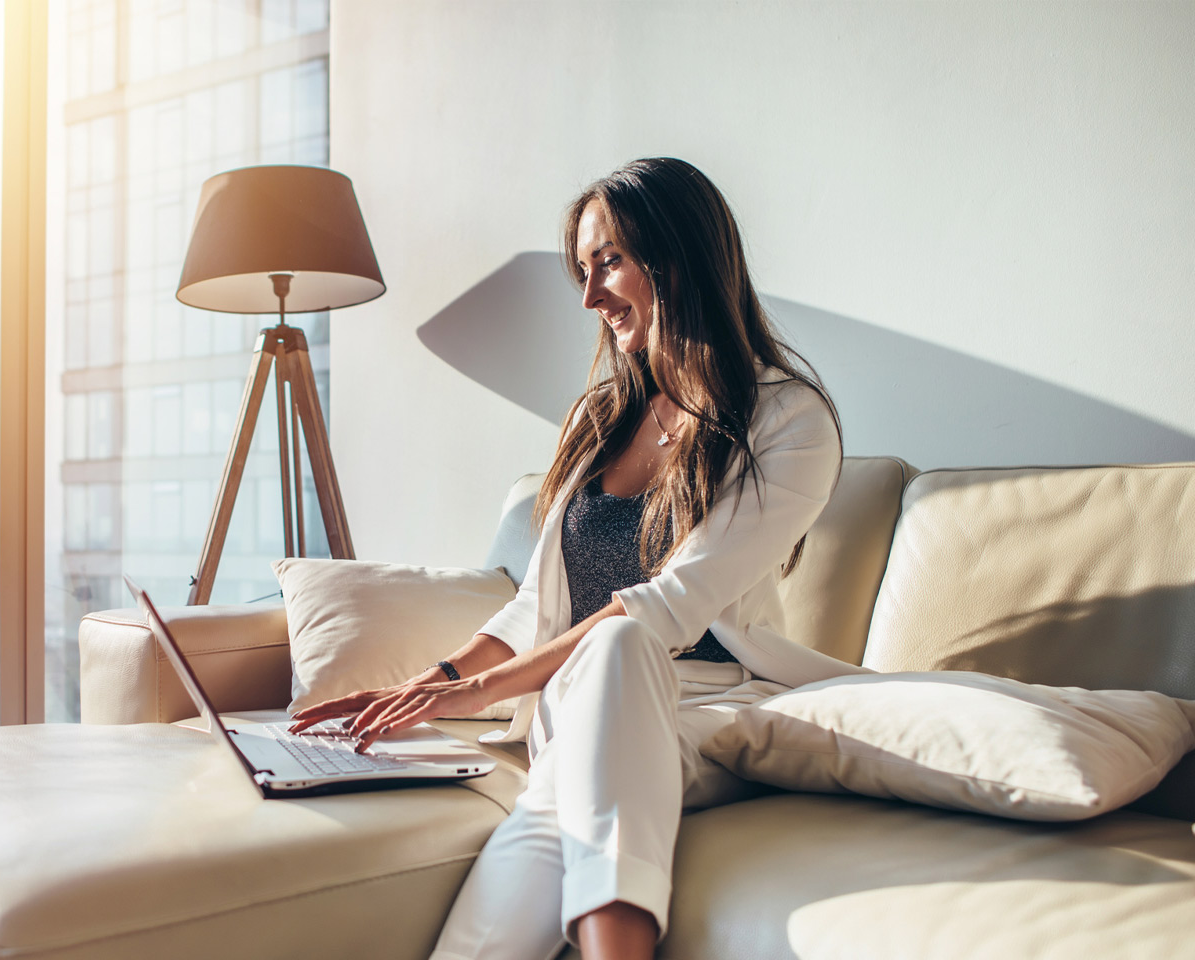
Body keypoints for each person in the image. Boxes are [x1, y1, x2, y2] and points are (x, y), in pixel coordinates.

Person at [288, 157, 869, 960]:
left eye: (610, 264)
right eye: (584, 272)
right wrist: (433, 684)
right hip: (575, 715)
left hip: (702, 714)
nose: (591, 297)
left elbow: (668, 607)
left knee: (623, 642)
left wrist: (477, 695)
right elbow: (533, 606)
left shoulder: (790, 421)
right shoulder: (600, 418)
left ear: (678, 256)